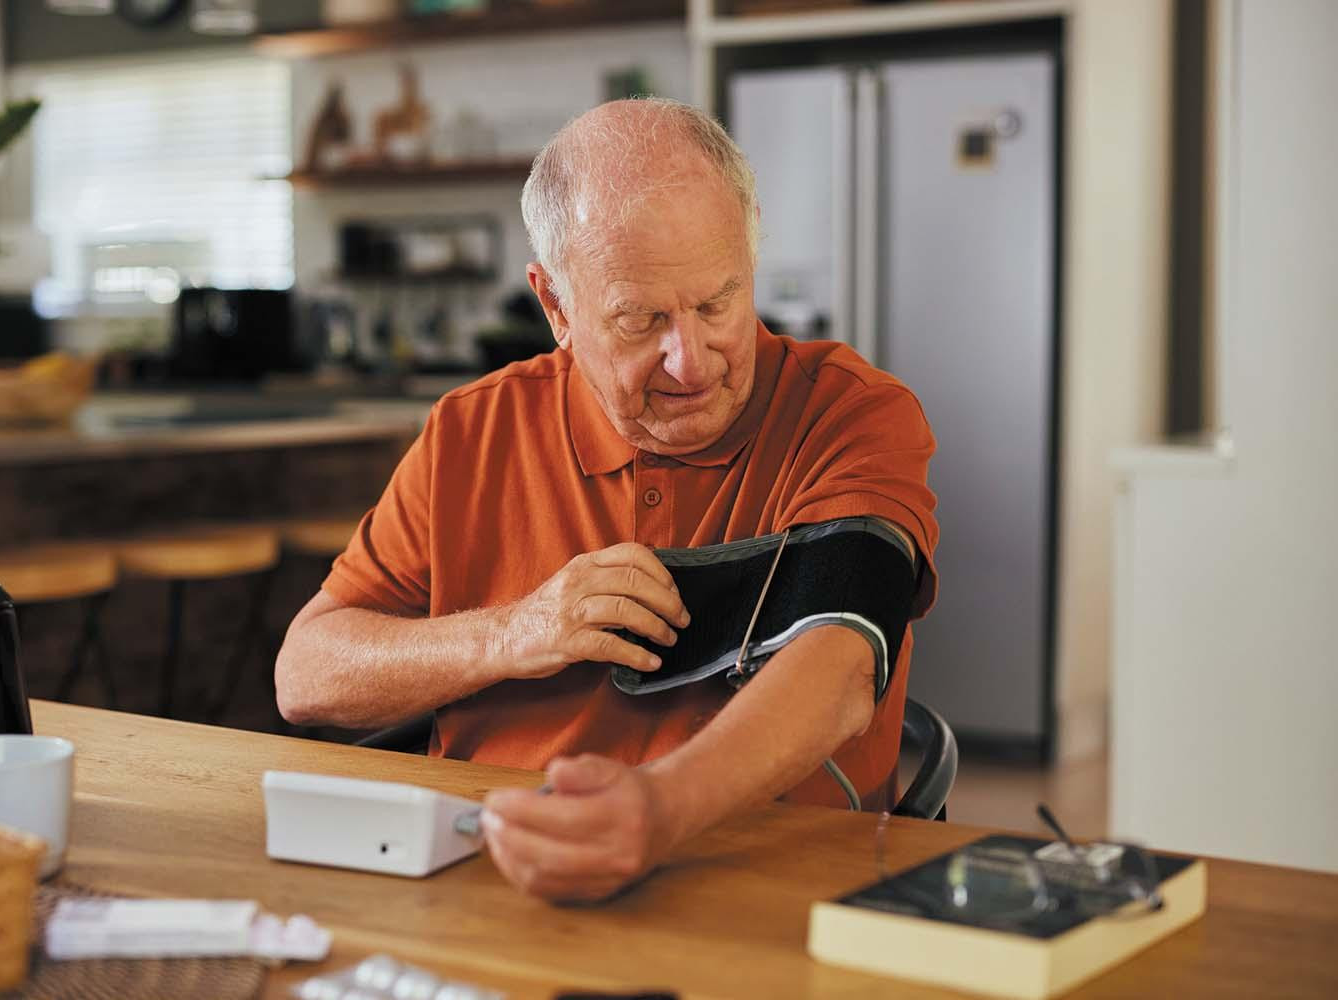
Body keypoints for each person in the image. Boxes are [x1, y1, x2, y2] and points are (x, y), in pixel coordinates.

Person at [275, 98, 937, 903]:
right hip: (497, 877)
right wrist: (516, 631)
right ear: (555, 305)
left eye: (718, 302)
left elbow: (839, 666)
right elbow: (305, 674)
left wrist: (658, 813)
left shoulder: (854, 412)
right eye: (640, 319)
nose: (691, 361)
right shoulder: (471, 431)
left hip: (767, 877)